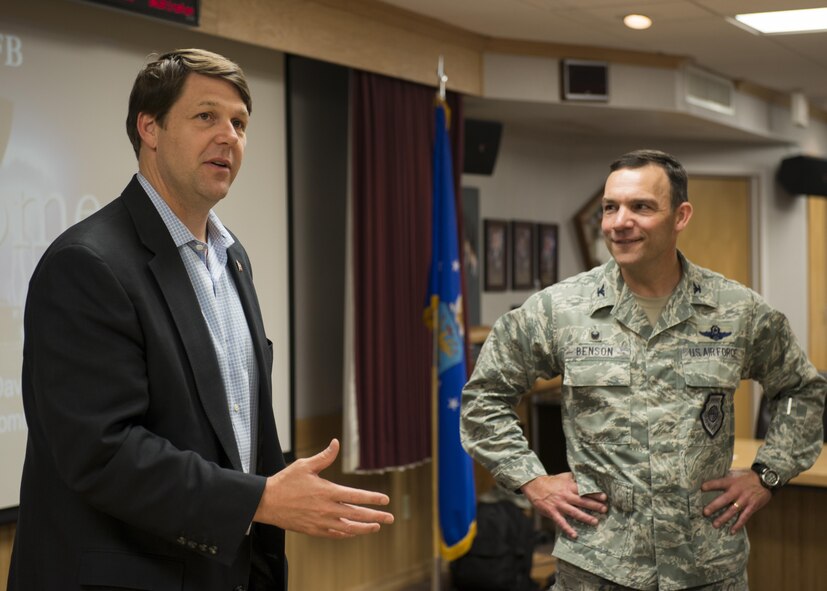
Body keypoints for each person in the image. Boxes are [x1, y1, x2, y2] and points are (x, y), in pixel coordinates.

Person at [8, 48, 393, 591]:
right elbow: (103, 451)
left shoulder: (232, 259)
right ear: (150, 128)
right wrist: (259, 500)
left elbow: (235, 427)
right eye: (206, 116)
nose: (229, 136)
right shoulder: (87, 264)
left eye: (239, 123)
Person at [461, 149, 826, 590]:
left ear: (681, 215)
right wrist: (532, 480)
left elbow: (803, 391)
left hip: (706, 568)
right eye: (610, 207)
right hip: (597, 566)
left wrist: (768, 474)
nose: (620, 222)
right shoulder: (559, 310)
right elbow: (484, 399)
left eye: (641, 207)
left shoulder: (736, 311)